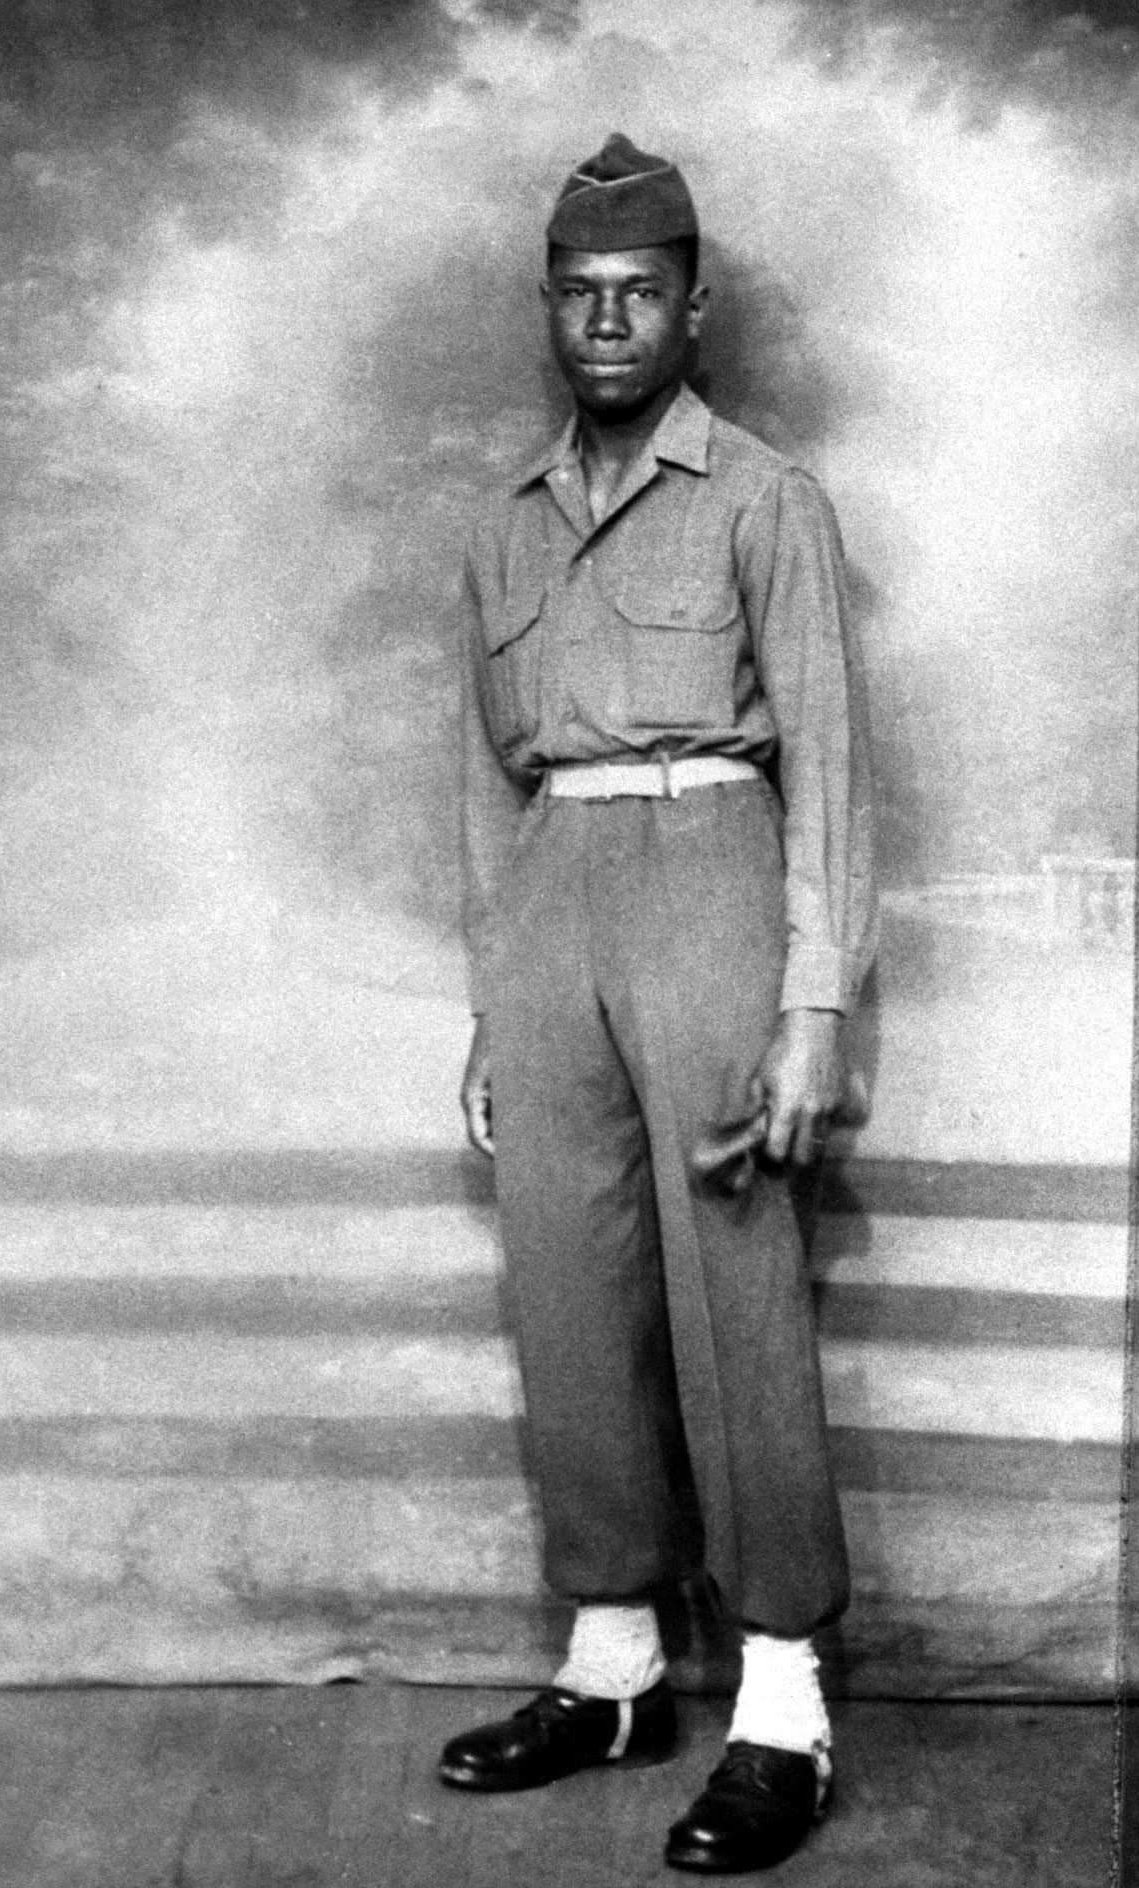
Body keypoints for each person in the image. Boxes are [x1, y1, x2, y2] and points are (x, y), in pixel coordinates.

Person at [439, 132, 877, 1875]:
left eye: (639, 294)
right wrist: (493, 996)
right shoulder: (500, 525)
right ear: (548, 311)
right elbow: (488, 783)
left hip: (711, 875)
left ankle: (782, 1704)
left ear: (693, 312)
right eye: (577, 294)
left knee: (734, 1296)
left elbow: (830, 761)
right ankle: (612, 1665)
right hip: (552, 904)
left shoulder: (764, 497)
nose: (606, 322)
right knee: (566, 1287)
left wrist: (814, 1006)